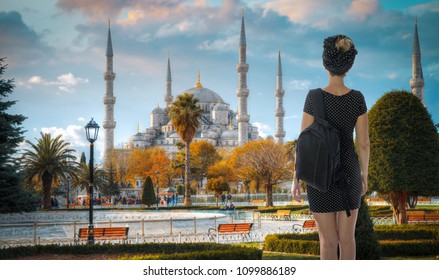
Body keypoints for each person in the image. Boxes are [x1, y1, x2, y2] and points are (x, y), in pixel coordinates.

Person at [292, 34, 369, 260]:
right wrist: (364, 175)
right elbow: (363, 143)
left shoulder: (313, 98)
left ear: (325, 64)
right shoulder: (358, 99)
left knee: (327, 242)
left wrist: (295, 179)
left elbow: (303, 143)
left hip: (319, 176)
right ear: (349, 66)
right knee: (347, 240)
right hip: (349, 174)